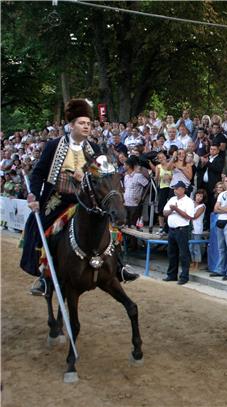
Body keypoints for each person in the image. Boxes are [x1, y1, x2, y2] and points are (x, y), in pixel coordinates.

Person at [21, 99, 137, 295]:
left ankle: (119, 266)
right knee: (40, 226)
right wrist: (33, 194)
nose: (86, 127)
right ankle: (45, 276)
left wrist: (86, 176)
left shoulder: (94, 149)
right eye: (82, 123)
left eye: (89, 124)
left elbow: (106, 176)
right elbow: (38, 173)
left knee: (110, 229)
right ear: (71, 125)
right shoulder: (54, 145)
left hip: (88, 201)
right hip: (58, 199)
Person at [163, 181, 195, 285]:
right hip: (172, 229)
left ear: (182, 189)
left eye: (177, 188)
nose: (175, 190)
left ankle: (184, 276)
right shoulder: (172, 199)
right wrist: (172, 210)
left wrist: (176, 209)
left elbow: (189, 216)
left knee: (183, 254)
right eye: (174, 189)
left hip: (182, 229)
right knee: (171, 253)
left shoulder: (189, 201)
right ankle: (172, 274)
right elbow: (164, 212)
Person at [209, 175, 227, 281]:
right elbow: (215, 209)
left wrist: (221, 208)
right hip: (220, 221)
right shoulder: (222, 194)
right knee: (221, 248)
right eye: (226, 181)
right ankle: (221, 269)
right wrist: (223, 208)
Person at [123, 156, 149, 228]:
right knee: (126, 225)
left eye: (124, 165)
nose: (123, 166)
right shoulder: (126, 177)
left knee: (134, 226)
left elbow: (147, 185)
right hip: (125, 204)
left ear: (128, 166)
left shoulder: (138, 176)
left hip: (135, 205)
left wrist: (142, 198)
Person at [155, 151, 173, 235]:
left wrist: (170, 177)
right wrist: (158, 176)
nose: (162, 159)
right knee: (161, 206)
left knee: (170, 206)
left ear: (165, 157)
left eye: (163, 157)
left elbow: (175, 176)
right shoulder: (158, 166)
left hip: (170, 187)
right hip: (162, 187)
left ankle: (169, 225)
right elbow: (156, 179)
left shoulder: (171, 165)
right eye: (160, 158)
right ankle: (161, 227)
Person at [189, 189, 207, 273]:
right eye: (198, 195)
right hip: (190, 228)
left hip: (197, 228)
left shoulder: (202, 206)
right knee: (190, 247)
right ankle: (193, 262)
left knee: (196, 247)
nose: (199, 197)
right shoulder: (191, 203)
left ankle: (197, 264)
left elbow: (195, 216)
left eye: (201, 196)